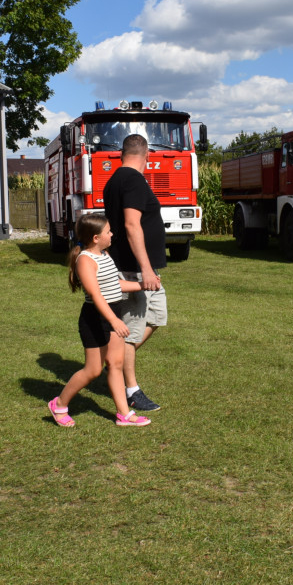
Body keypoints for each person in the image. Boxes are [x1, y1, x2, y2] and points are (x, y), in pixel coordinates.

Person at [48, 214, 150, 428]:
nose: (112, 234)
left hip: (113, 315)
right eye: (108, 232)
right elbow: (96, 296)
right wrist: (114, 321)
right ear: (96, 237)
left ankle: (124, 414)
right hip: (96, 318)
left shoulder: (104, 254)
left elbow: (117, 285)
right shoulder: (85, 260)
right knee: (93, 370)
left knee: (116, 364)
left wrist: (143, 285)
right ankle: (59, 404)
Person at [103, 134, 167, 412]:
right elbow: (131, 225)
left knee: (156, 318)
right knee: (130, 330)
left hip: (138, 267)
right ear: (148, 155)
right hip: (133, 269)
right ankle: (130, 388)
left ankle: (113, 362)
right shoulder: (133, 180)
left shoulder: (115, 179)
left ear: (121, 153)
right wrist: (145, 269)